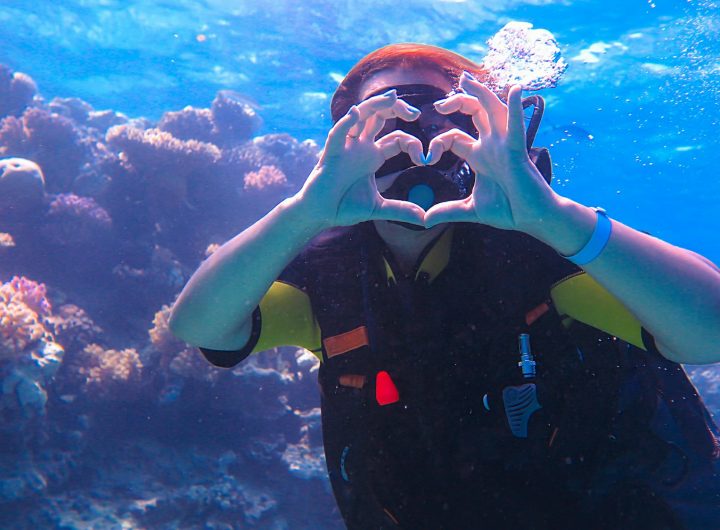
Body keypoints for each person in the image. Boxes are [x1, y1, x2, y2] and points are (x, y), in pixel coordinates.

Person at [169, 43, 720, 529]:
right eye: (389, 127)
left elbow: (711, 333)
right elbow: (201, 327)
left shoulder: (544, 248)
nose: (418, 151)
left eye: (441, 126)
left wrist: (552, 216)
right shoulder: (329, 277)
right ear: (346, 148)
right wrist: (303, 213)